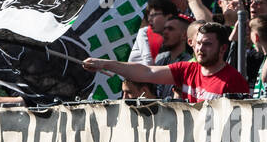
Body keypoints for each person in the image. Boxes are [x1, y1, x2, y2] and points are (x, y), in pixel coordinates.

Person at [82, 22, 248, 102]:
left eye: (207, 44)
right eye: (198, 43)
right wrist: (104, 64)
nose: (200, 49)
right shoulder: (187, 69)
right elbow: (146, 73)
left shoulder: (233, 80)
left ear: (222, 49)